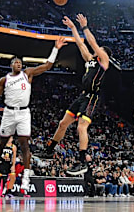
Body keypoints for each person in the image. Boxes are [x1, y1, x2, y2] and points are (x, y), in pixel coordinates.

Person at [0, 37, 66, 195]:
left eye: (20, 62)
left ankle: (26, 178)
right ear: (11, 65)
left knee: (24, 145)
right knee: (1, 144)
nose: (19, 64)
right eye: (16, 62)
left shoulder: (27, 74)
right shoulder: (4, 80)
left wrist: (55, 49)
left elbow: (47, 66)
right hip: (8, 112)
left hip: (23, 112)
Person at [40, 15, 117, 176]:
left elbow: (93, 43)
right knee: (62, 124)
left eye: (100, 50)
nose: (97, 50)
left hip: (93, 98)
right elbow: (81, 44)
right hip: (82, 96)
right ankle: (49, 151)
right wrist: (73, 28)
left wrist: (85, 27)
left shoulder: (104, 61)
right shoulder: (91, 60)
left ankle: (82, 161)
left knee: (81, 127)